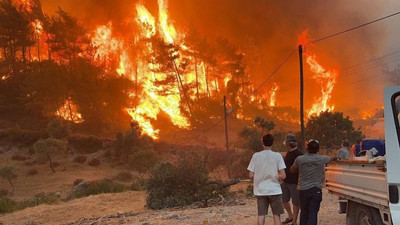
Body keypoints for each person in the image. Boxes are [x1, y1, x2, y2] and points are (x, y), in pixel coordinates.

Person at [290, 139, 336, 225]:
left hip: (303, 189)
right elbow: (332, 157)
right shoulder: (321, 159)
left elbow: (292, 170)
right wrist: (336, 157)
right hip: (316, 189)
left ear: (307, 148)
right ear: (318, 150)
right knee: (313, 213)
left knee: (304, 211)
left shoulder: (300, 159)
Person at [248, 134, 286, 225]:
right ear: (273, 142)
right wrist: (279, 178)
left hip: (261, 191)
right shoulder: (277, 156)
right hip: (275, 190)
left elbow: (250, 175)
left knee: (261, 216)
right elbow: (283, 175)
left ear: (262, 142)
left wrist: (256, 179)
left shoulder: (256, 156)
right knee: (276, 216)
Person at [281, 134, 302, 225]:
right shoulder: (288, 153)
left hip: (294, 183)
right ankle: (290, 216)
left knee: (295, 202)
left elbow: (301, 170)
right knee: (284, 200)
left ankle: (295, 221)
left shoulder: (299, 154)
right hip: (285, 181)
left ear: (288, 143)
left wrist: (299, 183)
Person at [337, 140, 350, 214]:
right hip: (344, 171)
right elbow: (346, 161)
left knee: (340, 191)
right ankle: (345, 208)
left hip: (339, 170)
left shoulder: (339, 151)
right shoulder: (346, 152)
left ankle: (341, 208)